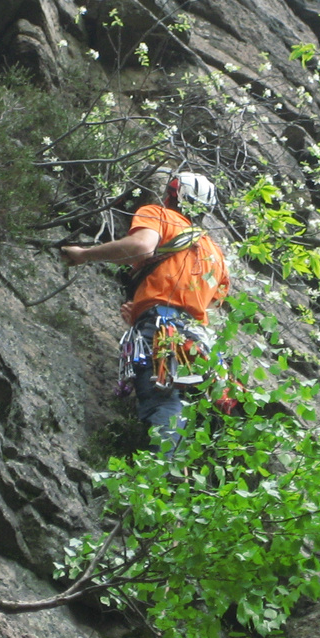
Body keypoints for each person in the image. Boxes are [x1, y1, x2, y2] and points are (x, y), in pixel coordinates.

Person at [61, 172, 230, 452]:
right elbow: (213, 301)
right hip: (198, 340)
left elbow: (141, 248)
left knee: (163, 402)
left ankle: (159, 476)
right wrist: (145, 305)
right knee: (183, 406)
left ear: (171, 196)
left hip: (161, 327)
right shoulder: (216, 254)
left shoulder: (159, 215)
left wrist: (84, 254)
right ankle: (176, 477)